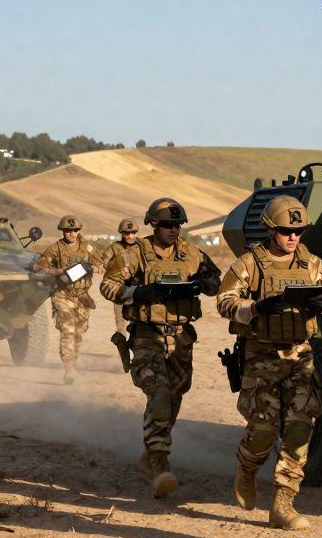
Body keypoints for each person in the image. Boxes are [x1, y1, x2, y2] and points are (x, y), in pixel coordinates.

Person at [216, 196, 322, 530]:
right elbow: (225, 301)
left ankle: (284, 502)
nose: (293, 237)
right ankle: (247, 468)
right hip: (261, 357)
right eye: (287, 230)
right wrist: (256, 309)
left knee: (301, 427)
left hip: (300, 355)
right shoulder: (250, 263)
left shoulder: (312, 264)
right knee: (262, 429)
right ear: (272, 229)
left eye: (299, 231)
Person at [100, 197, 220, 498]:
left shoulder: (192, 254)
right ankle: (158, 464)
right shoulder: (135, 254)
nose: (173, 230)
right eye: (167, 225)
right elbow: (108, 286)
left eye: (177, 226)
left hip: (181, 337)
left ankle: (150, 453)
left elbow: (216, 281)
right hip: (146, 335)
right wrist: (139, 291)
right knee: (160, 393)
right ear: (153, 225)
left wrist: (202, 284)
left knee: (176, 394)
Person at [32, 215, 104, 384]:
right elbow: (39, 269)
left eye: (75, 230)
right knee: (67, 330)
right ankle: (69, 367)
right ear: (62, 231)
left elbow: (101, 265)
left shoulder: (88, 248)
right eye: (68, 230)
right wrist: (59, 272)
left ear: (79, 231)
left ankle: (73, 359)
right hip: (62, 295)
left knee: (78, 333)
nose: (72, 233)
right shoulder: (54, 248)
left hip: (82, 296)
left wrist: (90, 268)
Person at [97, 219, 143, 342]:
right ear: (122, 234)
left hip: (137, 289)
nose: (130, 236)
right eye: (127, 233)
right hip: (119, 288)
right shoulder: (115, 248)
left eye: (132, 233)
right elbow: (103, 263)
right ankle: (122, 343)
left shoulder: (141, 248)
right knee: (120, 322)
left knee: (138, 320)